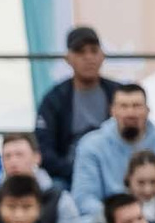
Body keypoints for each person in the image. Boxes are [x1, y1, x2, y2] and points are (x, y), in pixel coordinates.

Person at [70, 84, 155, 217]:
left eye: (136, 106)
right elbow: (84, 199)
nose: (130, 113)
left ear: (147, 110)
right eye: (124, 106)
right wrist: (121, 219)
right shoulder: (91, 146)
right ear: (112, 111)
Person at [35, 25, 121, 186]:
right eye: (81, 52)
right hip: (67, 176)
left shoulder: (119, 94)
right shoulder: (54, 99)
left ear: (102, 56)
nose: (88, 57)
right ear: (68, 58)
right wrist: (75, 170)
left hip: (116, 172)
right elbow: (44, 150)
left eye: (93, 51)